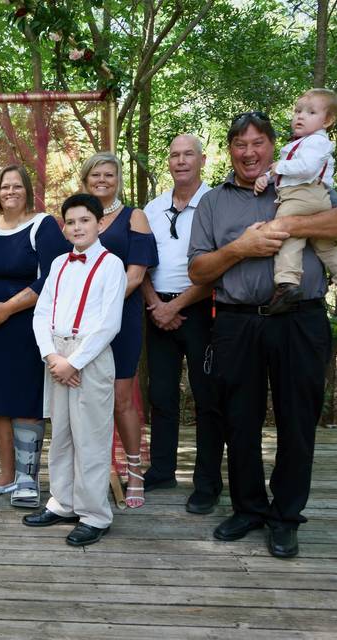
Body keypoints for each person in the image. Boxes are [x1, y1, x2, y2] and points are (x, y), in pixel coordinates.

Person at [189, 111, 337, 558]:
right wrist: (239, 248)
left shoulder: (301, 182)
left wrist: (288, 226)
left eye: (258, 143)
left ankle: (286, 517)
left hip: (299, 319)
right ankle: (248, 508)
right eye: (240, 144)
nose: (249, 152)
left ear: (273, 146)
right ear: (230, 150)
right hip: (236, 321)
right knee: (239, 419)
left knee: (297, 419)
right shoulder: (214, 202)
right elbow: (198, 269)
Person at [22, 193, 126, 546]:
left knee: (92, 438)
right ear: (64, 228)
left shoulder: (111, 265)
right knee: (62, 435)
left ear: (99, 224)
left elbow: (109, 323)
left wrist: (74, 362)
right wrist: (52, 356)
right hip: (57, 357)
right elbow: (41, 313)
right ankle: (63, 501)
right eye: (71, 221)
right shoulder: (59, 265)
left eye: (85, 220)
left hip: (89, 358)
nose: (78, 227)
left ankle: (95, 514)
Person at [0, 165, 71, 507]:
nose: (10, 192)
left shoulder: (42, 225)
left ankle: (28, 479)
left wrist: (7, 308)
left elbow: (53, 276)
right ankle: (6, 475)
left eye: (17, 186)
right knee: (0, 402)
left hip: (29, 327)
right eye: (4, 187)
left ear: (28, 190)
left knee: (26, 401)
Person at [140, 134, 224, 514]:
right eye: (174, 155)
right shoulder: (152, 209)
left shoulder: (218, 202)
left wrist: (178, 306)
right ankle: (161, 468)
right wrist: (156, 304)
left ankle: (207, 482)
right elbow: (138, 261)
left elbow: (221, 266)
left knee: (207, 397)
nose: (181, 161)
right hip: (156, 309)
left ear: (202, 160)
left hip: (201, 308)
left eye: (189, 154)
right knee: (161, 394)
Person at [80, 152, 158, 508]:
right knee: (84, 398)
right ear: (85, 180)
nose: (102, 180)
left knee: (121, 398)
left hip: (120, 319)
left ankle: (135, 471)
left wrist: (102, 310)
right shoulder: (78, 219)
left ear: (118, 180)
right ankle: (91, 473)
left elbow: (137, 274)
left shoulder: (135, 218)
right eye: (95, 175)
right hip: (79, 324)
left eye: (109, 175)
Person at [255, 88, 337, 313]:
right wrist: (265, 177)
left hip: (301, 195)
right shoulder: (303, 143)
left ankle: (288, 283)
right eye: (297, 111)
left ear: (328, 120)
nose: (300, 116)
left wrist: (278, 167)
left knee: (288, 236)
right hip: (315, 197)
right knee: (325, 243)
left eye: (311, 112)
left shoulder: (316, 142)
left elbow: (306, 169)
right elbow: (287, 169)